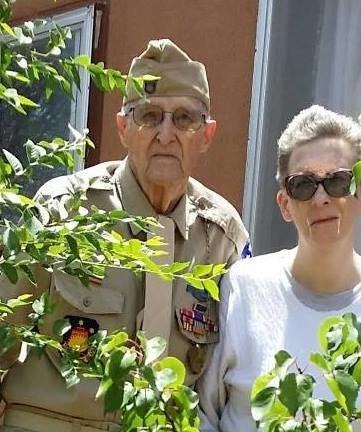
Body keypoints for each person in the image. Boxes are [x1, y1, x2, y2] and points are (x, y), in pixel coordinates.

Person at [0, 39, 248, 432]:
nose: (166, 134)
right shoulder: (65, 211)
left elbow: (235, 375)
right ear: (123, 128)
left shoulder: (221, 237)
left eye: (184, 118)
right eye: (149, 116)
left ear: (207, 135)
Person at [197, 105, 361, 431]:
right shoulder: (242, 288)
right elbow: (202, 416)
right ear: (285, 204)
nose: (321, 198)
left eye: (338, 181)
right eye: (303, 184)